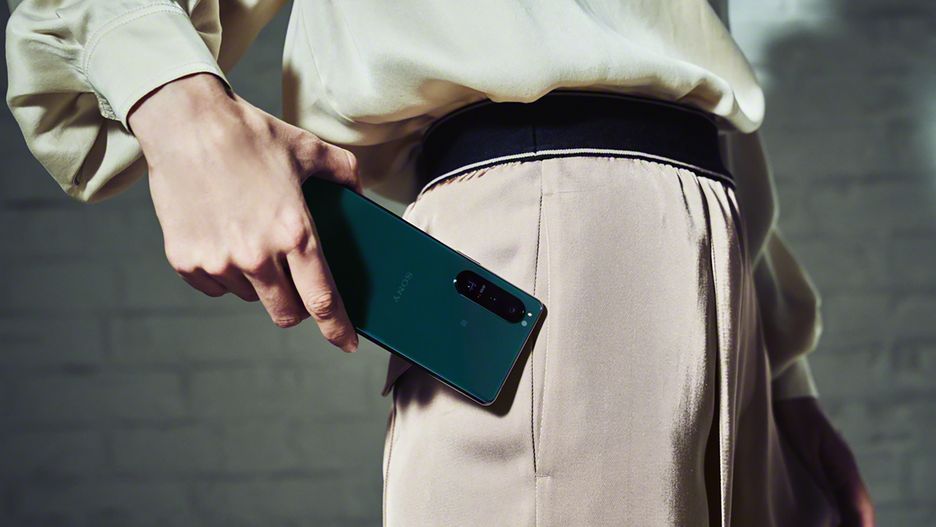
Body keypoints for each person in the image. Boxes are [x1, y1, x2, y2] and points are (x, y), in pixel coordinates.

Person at [5, 1, 874, 525]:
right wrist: (184, 113)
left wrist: (778, 364)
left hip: (709, 251)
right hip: (547, 231)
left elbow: (678, 57)